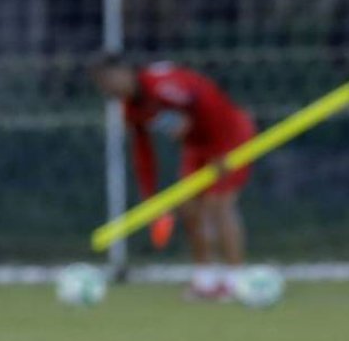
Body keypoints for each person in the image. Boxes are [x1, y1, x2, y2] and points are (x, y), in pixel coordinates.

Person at [91, 54, 256, 300]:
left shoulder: (161, 86)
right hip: (198, 146)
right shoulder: (132, 108)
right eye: (100, 84)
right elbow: (143, 154)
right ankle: (205, 279)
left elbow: (208, 100)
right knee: (189, 208)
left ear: (124, 72)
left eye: (108, 80)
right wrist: (150, 197)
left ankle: (236, 279)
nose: (106, 88)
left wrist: (221, 151)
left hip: (229, 136)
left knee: (218, 205)